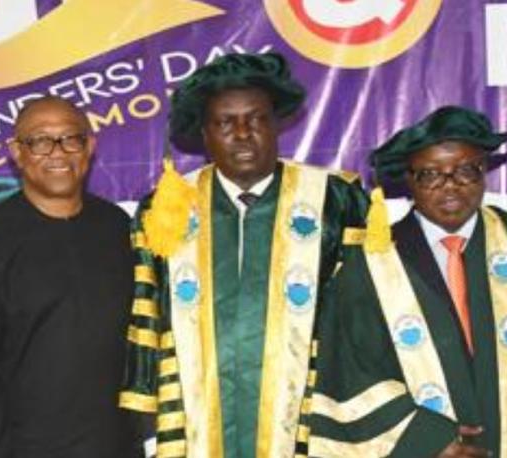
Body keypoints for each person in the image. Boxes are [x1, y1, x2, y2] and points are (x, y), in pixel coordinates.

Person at [118, 52, 369, 457]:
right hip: (195, 418)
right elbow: (148, 314)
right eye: (224, 122)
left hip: (310, 416)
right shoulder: (168, 206)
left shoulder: (335, 200)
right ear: (205, 134)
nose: (242, 132)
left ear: (276, 125)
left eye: (256, 119)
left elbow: (364, 320)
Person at [307, 106, 507, 457]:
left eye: (466, 171)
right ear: (409, 180)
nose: (451, 186)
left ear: (484, 172)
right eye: (430, 174)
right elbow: (349, 368)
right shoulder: (368, 262)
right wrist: (427, 439)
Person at [0, 96, 138, 457]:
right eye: (39, 141)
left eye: (71, 138)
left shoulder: (119, 229)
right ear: (16, 152)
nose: (57, 152)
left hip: (116, 445)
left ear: (90, 146)